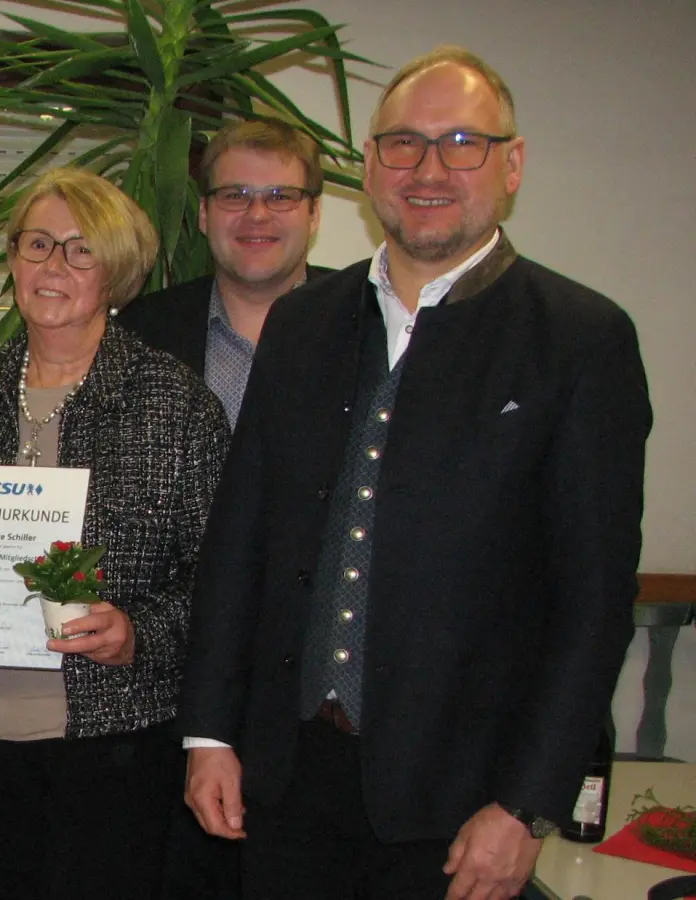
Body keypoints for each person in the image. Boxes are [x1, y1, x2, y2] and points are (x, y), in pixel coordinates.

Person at [178, 46, 652, 900]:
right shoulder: (303, 323)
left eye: (462, 142)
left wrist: (524, 805)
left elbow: (593, 602)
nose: (429, 168)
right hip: (287, 782)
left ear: (511, 165)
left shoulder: (580, 340)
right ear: (368, 170)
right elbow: (239, 538)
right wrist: (209, 731)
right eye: (403, 144)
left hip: (461, 798)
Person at [0, 167, 230, 900]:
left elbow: (216, 577)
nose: (53, 267)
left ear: (115, 273)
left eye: (80, 251)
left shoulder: (174, 404)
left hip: (115, 735)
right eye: (37, 244)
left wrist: (137, 629)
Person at [117, 119, 330, 427]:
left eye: (280, 196)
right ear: (204, 215)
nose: (257, 214)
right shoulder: (138, 335)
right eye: (235, 196)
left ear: (314, 215)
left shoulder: (365, 323)